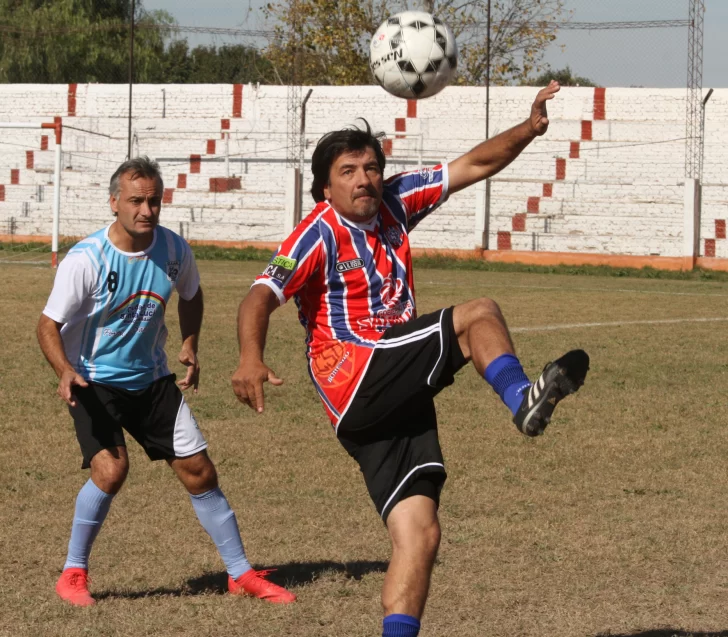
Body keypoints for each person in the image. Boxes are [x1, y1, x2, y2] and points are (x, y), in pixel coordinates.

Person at [232, 80, 589, 636]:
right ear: (325, 187)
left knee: (419, 534)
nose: (364, 179)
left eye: (370, 167)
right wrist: (249, 357)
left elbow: (472, 165)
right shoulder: (315, 235)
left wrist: (530, 127)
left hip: (391, 392)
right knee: (476, 315)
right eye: (348, 171)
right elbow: (259, 296)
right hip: (355, 374)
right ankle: (522, 399)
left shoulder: (397, 201)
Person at [37, 157, 295, 607]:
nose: (146, 210)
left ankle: (239, 573)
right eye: (136, 200)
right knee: (111, 469)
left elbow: (192, 296)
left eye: (154, 201)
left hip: (153, 381)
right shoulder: (86, 260)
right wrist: (65, 371)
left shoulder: (174, 250)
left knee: (200, 471)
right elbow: (47, 325)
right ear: (114, 202)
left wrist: (190, 343)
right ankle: (72, 573)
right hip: (94, 382)